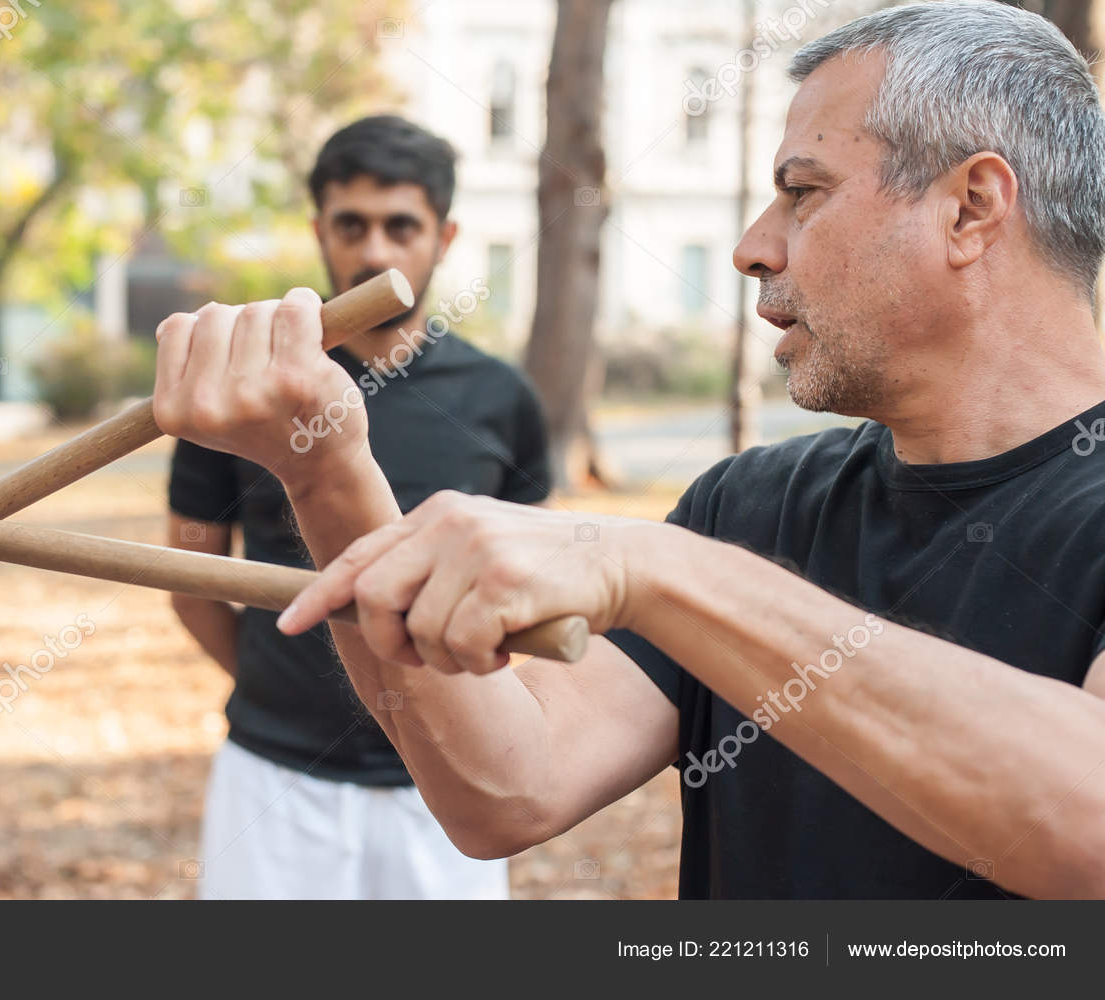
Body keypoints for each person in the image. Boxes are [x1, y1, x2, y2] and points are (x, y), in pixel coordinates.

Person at [152, 0, 1105, 899]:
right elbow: (507, 788)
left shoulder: (700, 556)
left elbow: (1085, 825)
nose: (752, 247)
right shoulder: (749, 508)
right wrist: (325, 469)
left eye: (802, 192)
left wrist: (657, 570)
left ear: (973, 207)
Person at [166, 115, 551, 899]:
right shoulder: (244, 393)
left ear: (443, 238)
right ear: (319, 231)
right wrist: (283, 685)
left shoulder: (501, 400)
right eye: (352, 225)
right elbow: (190, 577)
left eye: (400, 226)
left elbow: (529, 589)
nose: (375, 252)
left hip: (442, 792)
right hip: (275, 774)